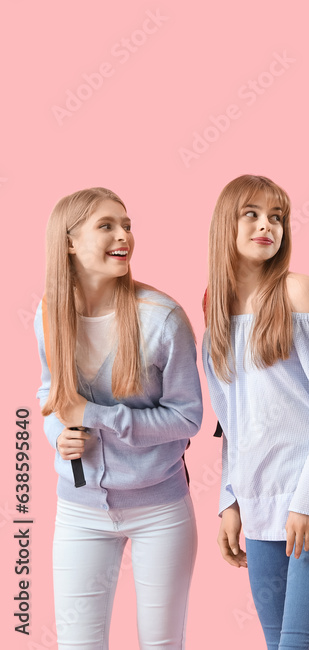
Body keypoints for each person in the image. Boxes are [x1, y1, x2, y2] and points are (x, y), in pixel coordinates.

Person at [35, 187, 202, 648]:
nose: (123, 234)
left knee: (162, 643)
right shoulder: (49, 314)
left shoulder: (162, 318)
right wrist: (56, 434)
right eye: (106, 225)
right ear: (69, 241)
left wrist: (98, 416)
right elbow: (50, 394)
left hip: (160, 509)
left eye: (126, 224)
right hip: (78, 511)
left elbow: (188, 418)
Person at [203, 175, 309, 649]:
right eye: (252, 214)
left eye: (277, 217)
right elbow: (231, 421)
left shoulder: (299, 293)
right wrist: (229, 500)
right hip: (259, 505)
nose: (267, 226)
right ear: (226, 223)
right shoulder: (216, 312)